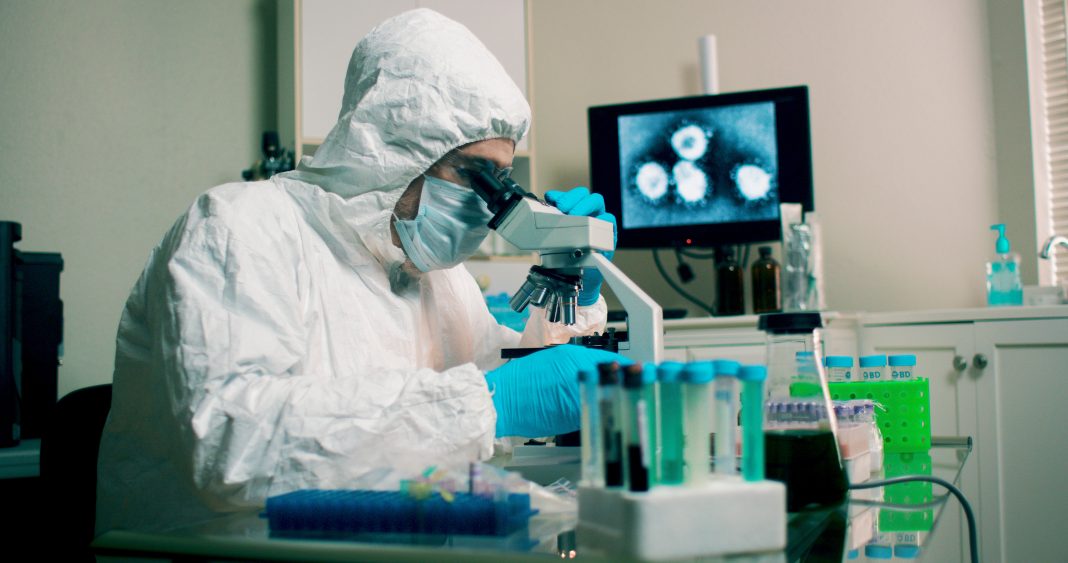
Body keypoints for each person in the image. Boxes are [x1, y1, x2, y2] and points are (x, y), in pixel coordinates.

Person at [96, 8, 625, 533]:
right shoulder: (239, 229)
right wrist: (487, 404)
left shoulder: (440, 278)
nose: (492, 206)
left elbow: (517, 376)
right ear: (397, 152)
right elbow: (230, 445)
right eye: (475, 175)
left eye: (503, 179)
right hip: (224, 553)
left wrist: (572, 286)